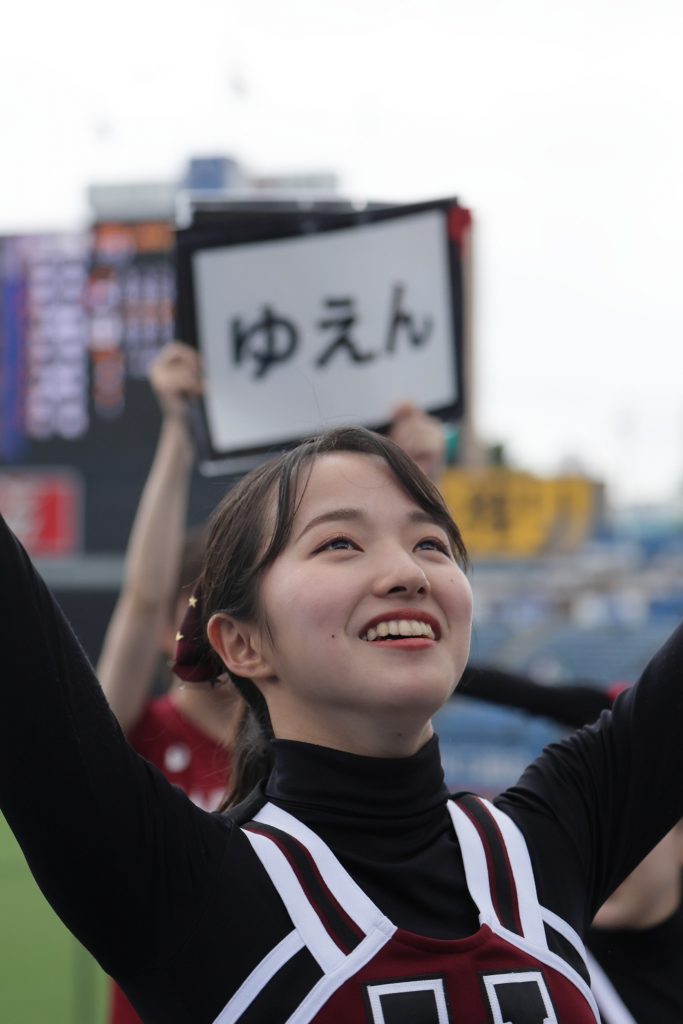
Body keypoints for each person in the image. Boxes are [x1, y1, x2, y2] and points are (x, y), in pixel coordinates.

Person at [2, 426, 683, 1024]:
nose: (405, 572)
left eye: (430, 543)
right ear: (241, 644)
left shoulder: (547, 843)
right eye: (339, 543)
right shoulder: (185, 893)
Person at [96, 341, 244, 1024]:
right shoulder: (134, 730)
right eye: (193, 606)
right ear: (167, 629)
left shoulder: (299, 745)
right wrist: (177, 438)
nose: (212, 625)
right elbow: (138, 595)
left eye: (231, 605)